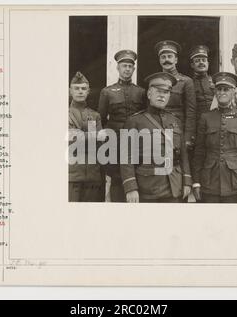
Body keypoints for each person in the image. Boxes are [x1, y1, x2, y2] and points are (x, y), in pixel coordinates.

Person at [120, 72, 192, 203]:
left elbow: (183, 155)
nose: (162, 95)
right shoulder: (134, 121)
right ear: (149, 94)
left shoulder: (175, 121)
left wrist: (187, 180)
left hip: (175, 185)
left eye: (166, 92)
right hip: (148, 186)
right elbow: (126, 157)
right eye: (158, 91)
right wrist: (130, 187)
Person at [192, 72, 237, 203]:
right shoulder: (206, 117)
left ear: (233, 92)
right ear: (215, 92)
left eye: (226, 89)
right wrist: (196, 182)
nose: (222, 92)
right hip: (210, 181)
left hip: (236, 182)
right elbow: (199, 152)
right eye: (219, 89)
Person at [98, 50, 146, 202]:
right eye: (124, 66)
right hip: (115, 143)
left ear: (134, 69)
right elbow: (101, 118)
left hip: (136, 141)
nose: (127, 69)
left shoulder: (141, 92)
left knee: (137, 175)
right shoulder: (107, 92)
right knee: (117, 179)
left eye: (130, 66)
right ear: (117, 68)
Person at [68, 72, 104, 202]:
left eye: (83, 89)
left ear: (88, 91)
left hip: (93, 176)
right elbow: (70, 139)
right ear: (70, 91)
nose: (80, 91)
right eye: (76, 88)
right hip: (71, 176)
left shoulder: (95, 116)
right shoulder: (64, 113)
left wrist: (81, 136)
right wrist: (92, 136)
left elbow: (101, 143)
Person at [154, 40, 197, 148]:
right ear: (159, 60)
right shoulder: (154, 81)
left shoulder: (186, 81)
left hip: (177, 129)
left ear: (176, 60)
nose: (166, 60)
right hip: (157, 128)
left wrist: (188, 137)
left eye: (169, 56)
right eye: (163, 57)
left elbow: (191, 112)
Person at [189, 45, 215, 118]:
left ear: (208, 64)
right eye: (197, 61)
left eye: (204, 60)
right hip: (198, 121)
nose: (201, 63)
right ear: (192, 65)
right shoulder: (189, 83)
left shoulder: (215, 81)